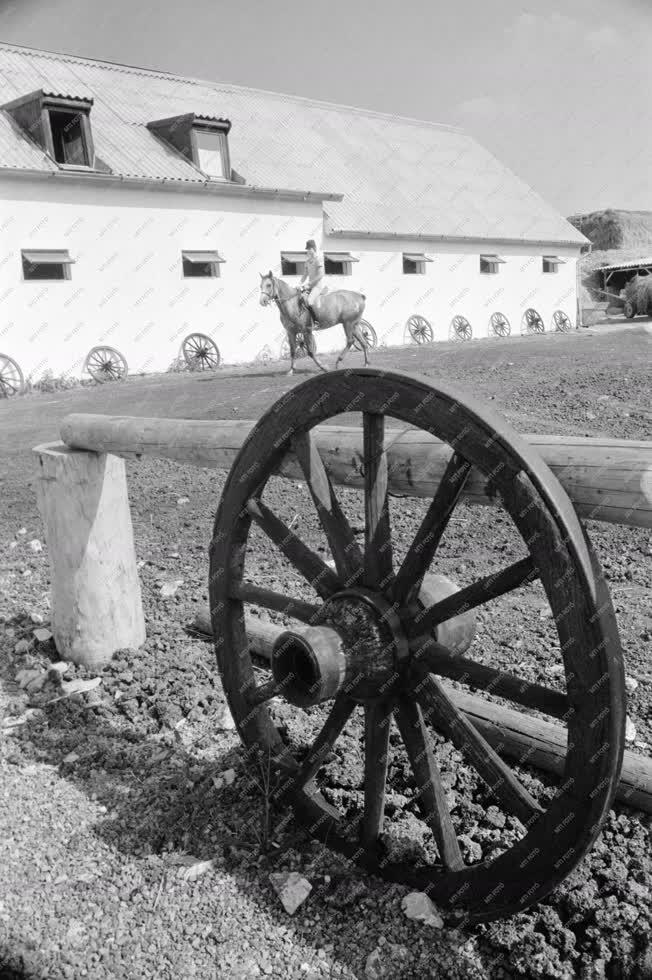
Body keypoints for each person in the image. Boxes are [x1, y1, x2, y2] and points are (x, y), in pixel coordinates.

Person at [299, 239, 326, 325]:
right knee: (300, 298)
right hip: (310, 286)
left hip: (317, 286)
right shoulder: (307, 262)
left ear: (313, 249)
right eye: (307, 249)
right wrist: (299, 283)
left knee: (310, 300)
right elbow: (305, 275)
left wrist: (309, 284)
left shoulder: (319, 260)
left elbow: (321, 275)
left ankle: (316, 321)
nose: (307, 251)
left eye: (309, 249)